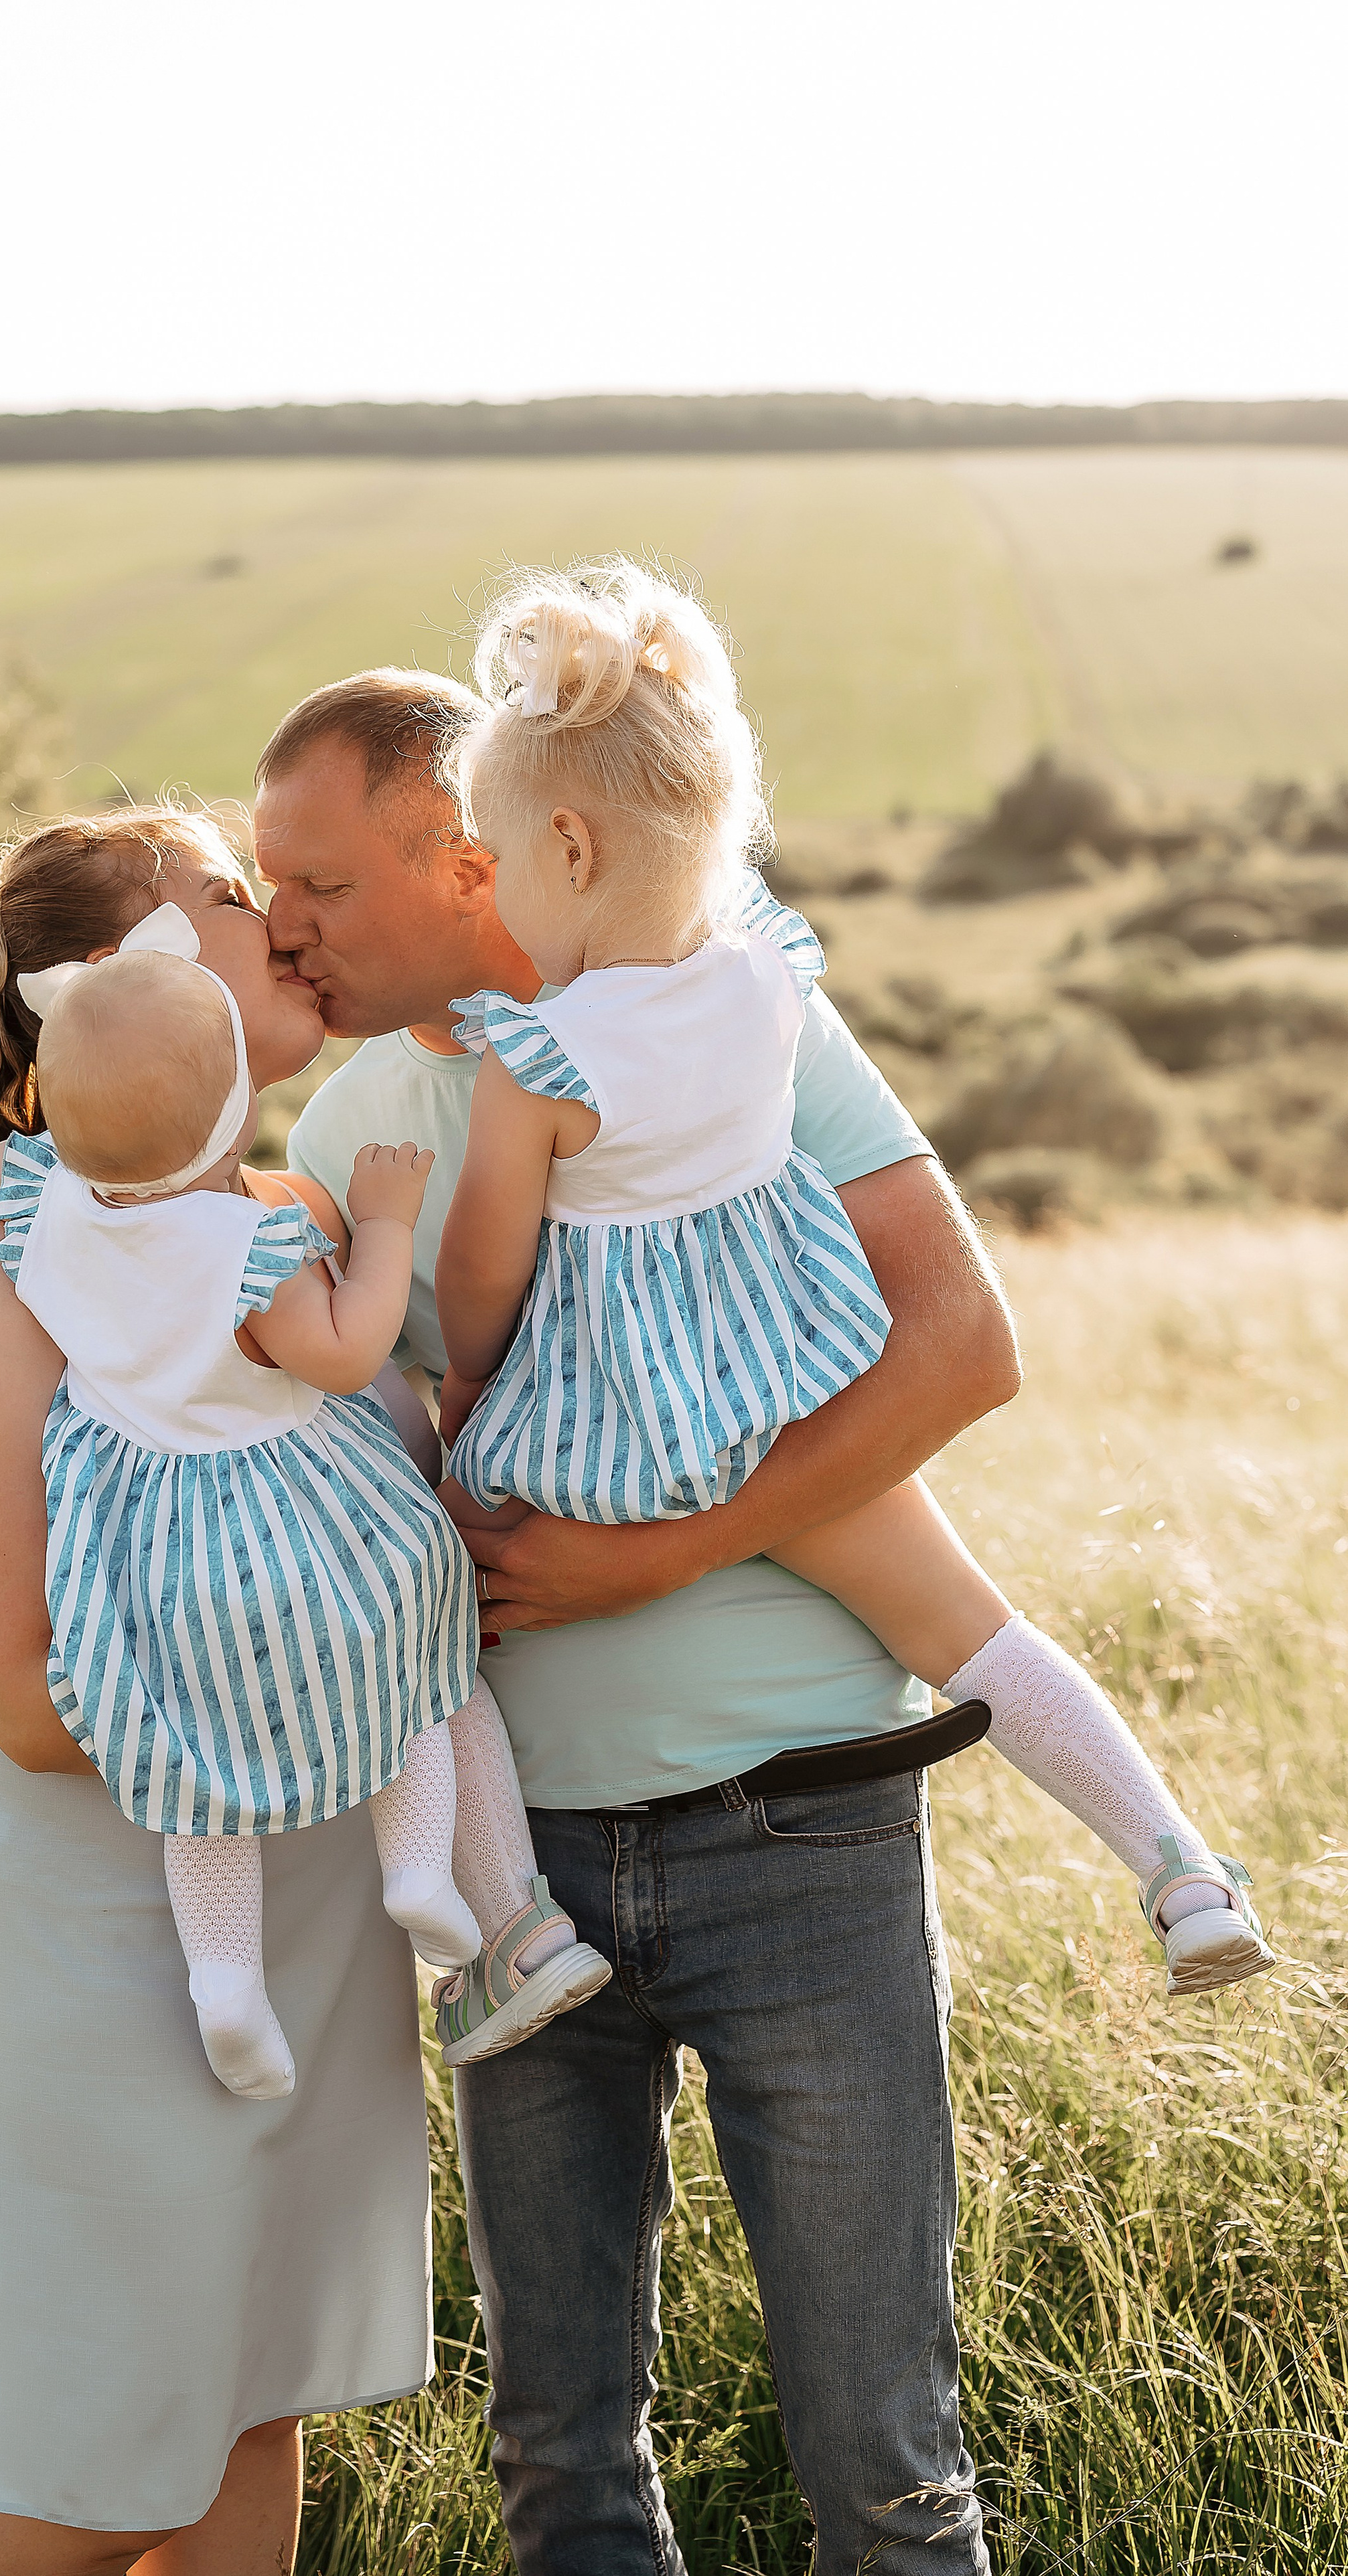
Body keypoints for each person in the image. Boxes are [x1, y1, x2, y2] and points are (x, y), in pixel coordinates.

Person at [257, 661, 996, 2576]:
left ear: (470, 849)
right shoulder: (351, 1133)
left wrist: (665, 1552)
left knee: (890, 2464)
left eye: (324, 885)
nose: (290, 929)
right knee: (563, 2468)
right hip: (528, 1879)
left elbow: (965, 1348)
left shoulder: (744, 1011)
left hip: (807, 1820)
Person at [430, 560, 1270, 2012]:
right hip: (782, 1378)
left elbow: (485, 1274)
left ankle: (519, 1930)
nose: (492, 892)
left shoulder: (534, 1057)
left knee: (432, 1614)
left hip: (607, 1422)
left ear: (565, 844)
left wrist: (462, 1388)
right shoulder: (769, 978)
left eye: (494, 859)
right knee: (967, 1629)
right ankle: (1179, 1868)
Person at [0, 809, 431, 2575]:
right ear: (136, 976)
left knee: (252, 2403)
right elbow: (27, 1702)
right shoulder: (4, 1276)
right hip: (110, 1936)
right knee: (79, 2468)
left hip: (306, 1910)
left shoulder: (290, 1225)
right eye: (232, 898)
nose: (276, 924)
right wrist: (306, 1683)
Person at [0, 897, 606, 2099]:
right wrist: (381, 1226)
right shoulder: (240, 1243)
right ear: (232, 1113)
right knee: (414, 1647)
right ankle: (423, 1872)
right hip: (284, 1523)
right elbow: (347, 1351)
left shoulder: (42, 1219)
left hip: (151, 1557)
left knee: (197, 1782)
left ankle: (228, 1987)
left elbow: (7, 1165)